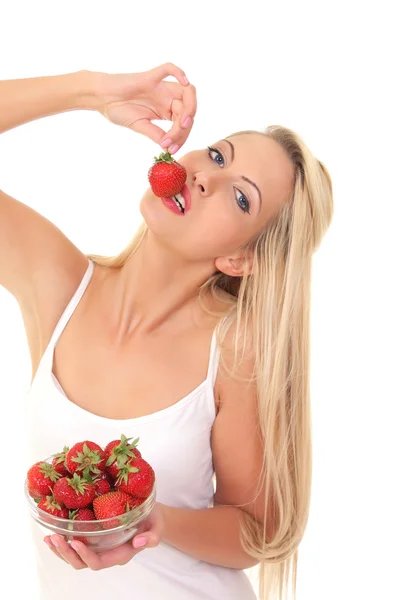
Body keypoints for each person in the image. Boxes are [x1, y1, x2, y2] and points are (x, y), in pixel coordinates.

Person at [0, 63, 334, 600]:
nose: (206, 175)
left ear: (240, 259)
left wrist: (156, 522)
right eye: (219, 155)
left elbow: (260, 528)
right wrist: (90, 91)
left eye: (240, 196)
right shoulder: (58, 288)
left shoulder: (233, 349)